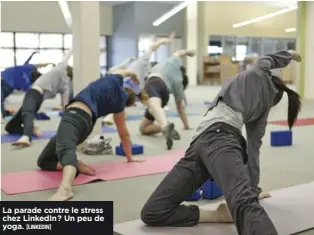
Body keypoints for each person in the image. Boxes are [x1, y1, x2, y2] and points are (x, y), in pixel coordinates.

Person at [140, 50, 302, 235]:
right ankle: (217, 215)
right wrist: (252, 188)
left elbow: (268, 58)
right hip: (198, 147)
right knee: (153, 212)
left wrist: (289, 55)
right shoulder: (261, 92)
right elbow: (253, 151)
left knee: (244, 204)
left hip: (222, 139)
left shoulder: (259, 73)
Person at [36, 69, 148, 201]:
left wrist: (134, 75)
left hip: (74, 116)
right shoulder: (120, 105)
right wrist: (129, 157)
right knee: (44, 161)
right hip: (86, 126)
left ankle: (65, 188)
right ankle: (75, 164)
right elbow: (124, 134)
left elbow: (126, 71)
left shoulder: (114, 79)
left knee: (66, 150)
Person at [5, 50, 73, 148]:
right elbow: (65, 106)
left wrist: (72, 50)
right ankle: (31, 129)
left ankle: (26, 137)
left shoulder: (59, 71)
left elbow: (65, 59)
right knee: (10, 127)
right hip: (38, 99)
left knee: (27, 113)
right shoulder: (65, 87)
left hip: (34, 93)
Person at [102, 35, 174, 126]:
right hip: (125, 86)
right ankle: (109, 117)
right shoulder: (142, 61)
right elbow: (152, 48)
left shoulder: (138, 70)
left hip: (129, 88)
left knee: (126, 105)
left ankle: (111, 116)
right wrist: (162, 41)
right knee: (123, 103)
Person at [139, 49, 195, 150]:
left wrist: (189, 52)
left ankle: (164, 126)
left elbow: (179, 52)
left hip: (154, 82)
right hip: (165, 96)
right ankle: (165, 126)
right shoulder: (178, 83)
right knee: (144, 128)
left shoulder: (173, 61)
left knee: (153, 106)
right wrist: (186, 126)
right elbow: (180, 109)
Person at [1, 52, 51, 120]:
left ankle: (3, 113)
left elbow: (37, 65)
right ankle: (3, 113)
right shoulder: (28, 79)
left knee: (1, 100)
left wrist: (46, 64)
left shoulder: (27, 70)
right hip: (5, 82)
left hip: (6, 83)